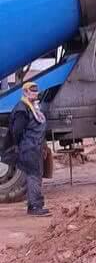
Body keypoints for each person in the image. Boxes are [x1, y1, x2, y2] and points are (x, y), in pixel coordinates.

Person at [8, 82, 50, 216]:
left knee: (36, 176)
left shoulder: (33, 107)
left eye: (36, 91)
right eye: (31, 92)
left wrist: (42, 146)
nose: (34, 94)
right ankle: (35, 206)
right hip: (29, 147)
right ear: (24, 92)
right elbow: (17, 131)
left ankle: (35, 205)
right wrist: (24, 146)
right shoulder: (22, 109)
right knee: (33, 176)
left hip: (35, 146)